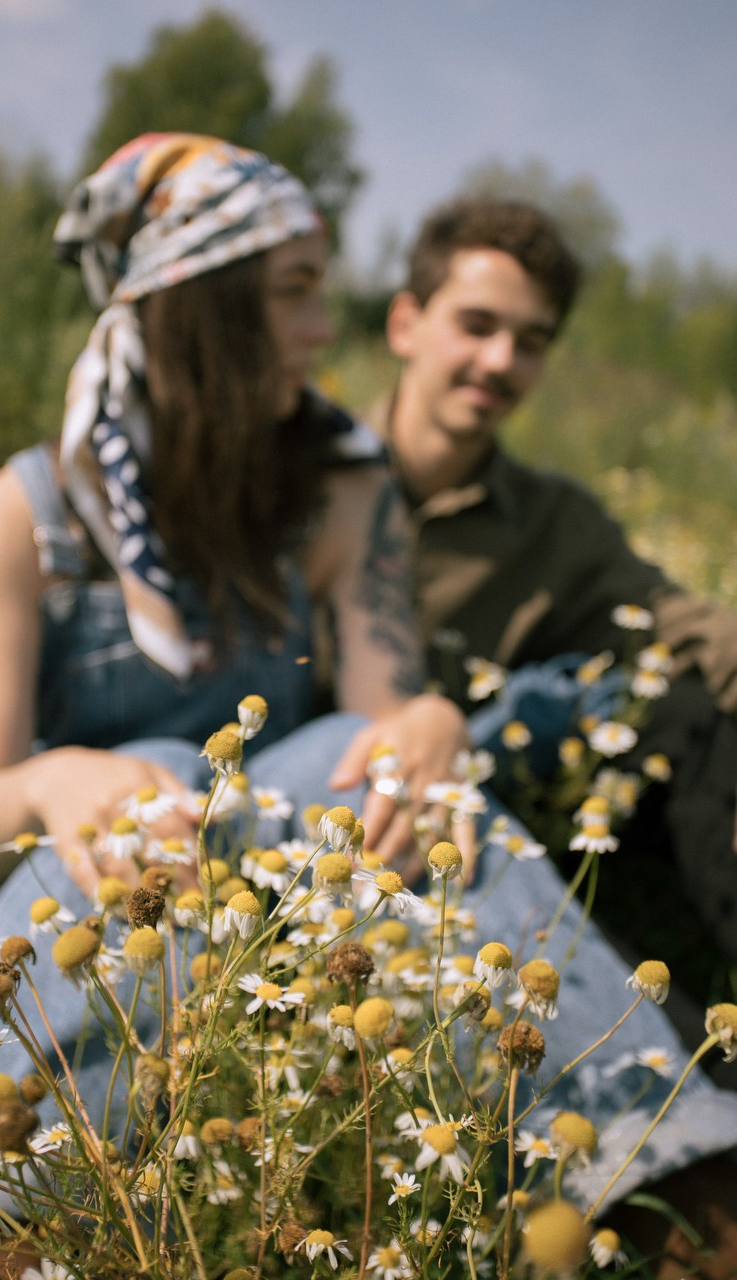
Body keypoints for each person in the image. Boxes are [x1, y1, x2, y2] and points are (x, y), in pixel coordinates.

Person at [0, 132, 466, 1238]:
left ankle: (674, 1180)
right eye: (293, 292)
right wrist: (56, 777)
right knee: (151, 781)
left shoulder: (343, 495)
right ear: (198, 306)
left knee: (430, 798)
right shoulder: (22, 518)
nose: (321, 328)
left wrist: (428, 718)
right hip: (113, 881)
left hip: (302, 872)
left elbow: (384, 723)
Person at [369, 194, 737, 1275]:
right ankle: (666, 1171)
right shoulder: (313, 486)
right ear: (405, 321)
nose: (499, 360)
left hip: (508, 783)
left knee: (691, 702)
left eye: (531, 342)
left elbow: (677, 624)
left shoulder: (553, 521)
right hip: (363, 810)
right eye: (476, 324)